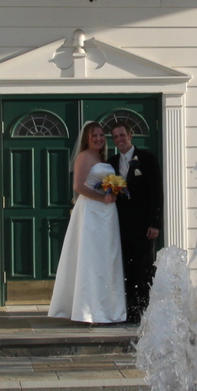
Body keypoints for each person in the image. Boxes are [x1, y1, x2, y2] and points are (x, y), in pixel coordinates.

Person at [47, 121, 127, 324]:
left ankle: (107, 307)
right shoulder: (84, 157)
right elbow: (79, 186)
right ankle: (88, 309)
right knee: (91, 257)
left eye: (101, 135)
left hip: (108, 214)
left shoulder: (102, 158)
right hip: (91, 212)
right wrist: (102, 198)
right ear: (87, 139)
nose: (99, 139)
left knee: (107, 258)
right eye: (94, 136)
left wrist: (112, 193)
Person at [111, 121, 163, 322]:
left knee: (144, 267)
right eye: (115, 137)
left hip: (144, 225)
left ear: (130, 136)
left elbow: (156, 192)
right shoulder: (112, 162)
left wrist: (155, 223)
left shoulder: (147, 159)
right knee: (126, 267)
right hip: (121, 224)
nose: (119, 139)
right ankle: (128, 309)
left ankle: (144, 310)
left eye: (122, 135)